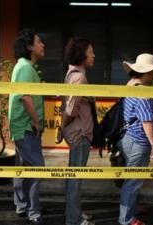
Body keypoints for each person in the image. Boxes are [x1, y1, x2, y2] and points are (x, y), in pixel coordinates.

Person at [117, 53, 153, 225]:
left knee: (132, 178)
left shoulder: (130, 84)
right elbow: (146, 120)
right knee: (133, 181)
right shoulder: (143, 91)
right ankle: (126, 220)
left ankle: (131, 208)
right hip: (138, 140)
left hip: (127, 137)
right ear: (148, 73)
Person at [8, 29, 46, 225]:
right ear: (30, 46)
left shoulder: (25, 66)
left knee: (23, 167)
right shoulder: (25, 67)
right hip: (26, 127)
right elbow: (25, 96)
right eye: (39, 42)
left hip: (24, 126)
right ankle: (33, 211)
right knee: (38, 168)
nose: (43, 45)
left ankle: (23, 205)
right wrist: (36, 121)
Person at [61, 37, 95, 225]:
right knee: (75, 180)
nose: (93, 55)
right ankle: (73, 220)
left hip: (75, 132)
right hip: (80, 134)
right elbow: (71, 109)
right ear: (82, 54)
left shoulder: (70, 74)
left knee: (72, 178)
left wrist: (62, 128)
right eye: (91, 51)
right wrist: (62, 126)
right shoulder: (79, 77)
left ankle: (75, 214)